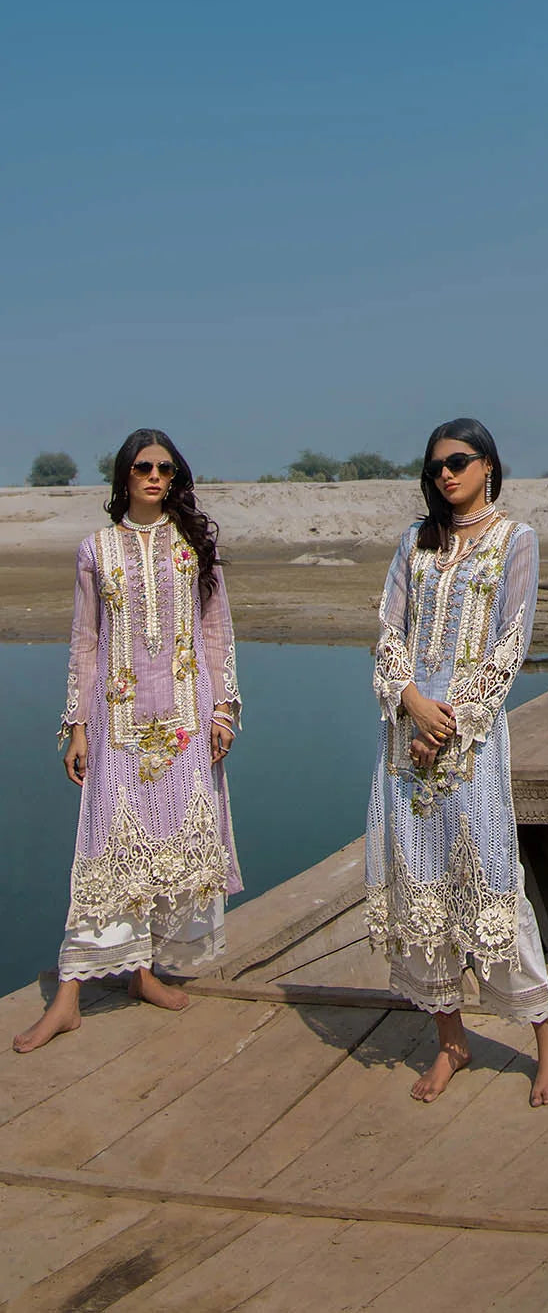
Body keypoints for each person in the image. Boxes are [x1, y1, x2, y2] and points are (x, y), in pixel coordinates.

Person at [14, 430, 242, 1052]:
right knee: (105, 849)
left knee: (171, 844)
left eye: (166, 468)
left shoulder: (194, 547)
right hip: (116, 726)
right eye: (143, 467)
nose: (155, 476)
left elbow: (215, 630)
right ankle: (68, 996)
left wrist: (223, 711)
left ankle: (142, 973)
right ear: (124, 476)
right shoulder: (96, 549)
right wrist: (77, 726)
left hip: (186, 724)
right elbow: (85, 641)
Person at [365, 417, 548, 1106]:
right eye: (435, 468)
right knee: (419, 881)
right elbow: (389, 631)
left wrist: (447, 722)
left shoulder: (517, 540)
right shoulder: (415, 542)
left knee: (490, 877)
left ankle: (545, 1033)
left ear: (488, 465)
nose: (446, 474)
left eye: (457, 462)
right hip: (406, 736)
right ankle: (450, 1038)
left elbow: (511, 644)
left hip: (471, 739)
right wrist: (410, 702)